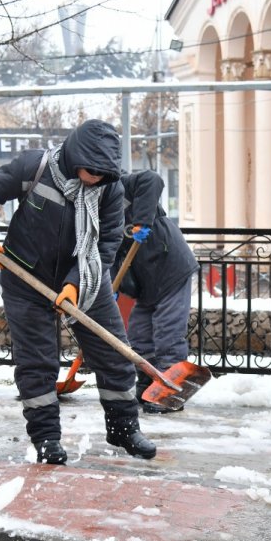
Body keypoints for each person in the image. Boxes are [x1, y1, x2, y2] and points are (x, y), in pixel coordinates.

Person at [0, 119, 155, 465]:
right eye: (90, 170)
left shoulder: (111, 190)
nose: (95, 178)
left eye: (103, 172)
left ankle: (124, 427)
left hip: (85, 278)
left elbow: (108, 241)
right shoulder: (34, 167)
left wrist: (75, 284)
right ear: (73, 156)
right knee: (37, 362)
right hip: (26, 279)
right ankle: (47, 439)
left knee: (114, 353)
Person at [111, 169, 199, 413]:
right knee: (139, 336)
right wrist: (111, 285)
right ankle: (149, 384)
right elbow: (108, 251)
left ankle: (171, 392)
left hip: (170, 268)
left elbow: (152, 179)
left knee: (168, 334)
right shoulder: (96, 211)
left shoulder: (121, 185)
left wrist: (141, 220)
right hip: (145, 282)